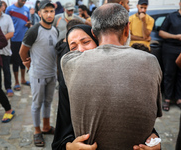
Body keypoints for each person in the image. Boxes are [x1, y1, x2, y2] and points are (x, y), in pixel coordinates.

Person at [61, 3, 162, 150]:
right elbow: (151, 114)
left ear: (94, 34)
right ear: (127, 28)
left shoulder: (69, 62)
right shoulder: (150, 61)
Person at [19, 0, 58, 147]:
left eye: (51, 11)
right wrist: (27, 63)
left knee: (48, 102)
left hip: (51, 74)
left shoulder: (54, 30)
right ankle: (37, 131)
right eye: (46, 11)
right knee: (36, 104)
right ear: (39, 12)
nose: (49, 14)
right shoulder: (34, 30)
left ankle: (46, 127)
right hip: (38, 75)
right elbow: (22, 51)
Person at [159, 0, 181, 111]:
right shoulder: (171, 16)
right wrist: (176, 36)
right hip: (170, 48)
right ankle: (167, 99)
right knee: (169, 74)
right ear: (180, 3)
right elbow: (161, 33)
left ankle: (179, 99)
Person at [6, 0, 31, 91]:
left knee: (23, 60)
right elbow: (6, 23)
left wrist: (28, 24)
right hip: (14, 39)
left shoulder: (26, 9)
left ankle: (23, 79)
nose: (23, 2)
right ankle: (16, 82)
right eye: (22, 0)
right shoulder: (9, 9)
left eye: (25, 0)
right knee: (16, 61)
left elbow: (28, 21)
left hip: (24, 40)